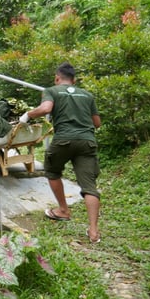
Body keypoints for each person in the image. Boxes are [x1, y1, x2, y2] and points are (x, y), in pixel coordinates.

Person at [19, 62, 102, 243]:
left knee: (53, 171)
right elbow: (97, 123)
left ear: (57, 78)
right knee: (89, 187)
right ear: (74, 80)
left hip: (63, 140)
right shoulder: (87, 95)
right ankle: (94, 232)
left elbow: (45, 109)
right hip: (87, 142)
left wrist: (27, 116)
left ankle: (63, 210)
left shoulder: (52, 91)